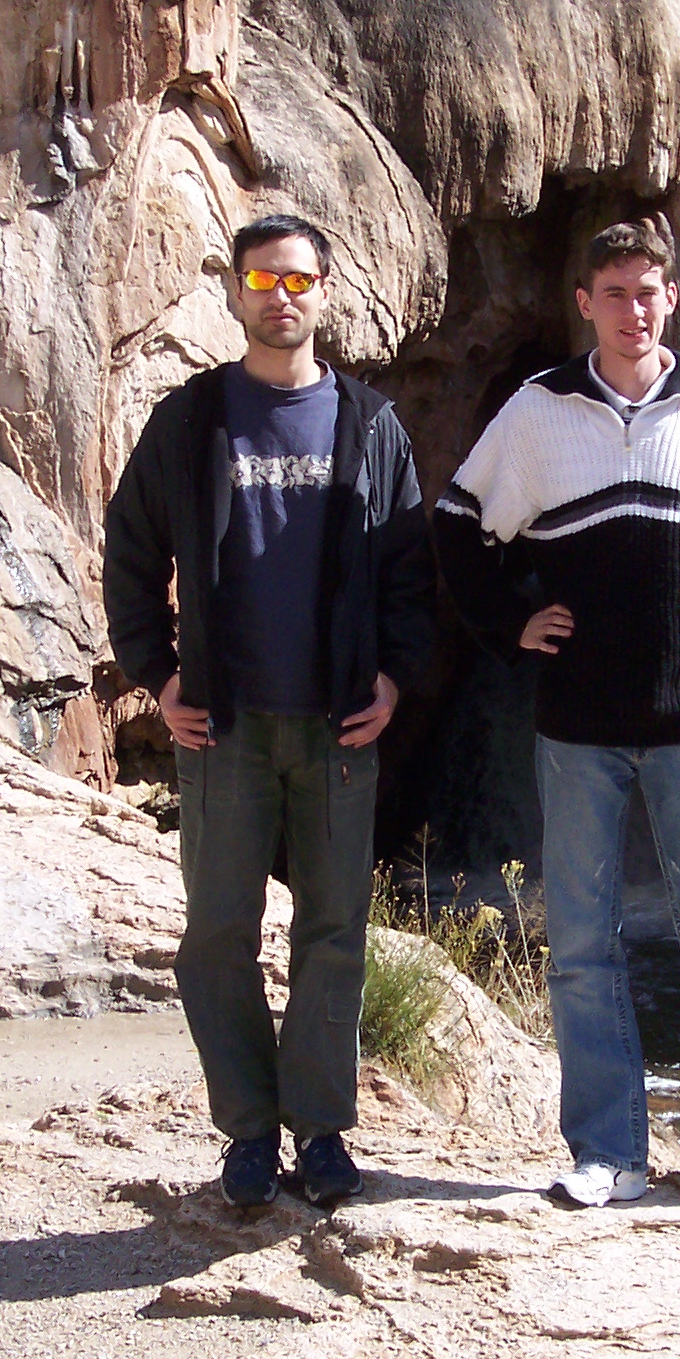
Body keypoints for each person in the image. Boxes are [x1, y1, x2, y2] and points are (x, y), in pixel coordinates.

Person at [433, 219, 680, 1228]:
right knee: (581, 948)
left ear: (673, 297)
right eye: (614, 292)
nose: (633, 310)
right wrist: (510, 622)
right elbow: (457, 523)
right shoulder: (540, 411)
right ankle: (607, 1154)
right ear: (585, 303)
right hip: (578, 729)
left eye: (648, 290)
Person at [102, 213, 436, 1211]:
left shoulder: (369, 424)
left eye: (297, 280)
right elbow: (131, 551)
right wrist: (158, 674)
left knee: (333, 932)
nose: (280, 296)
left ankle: (322, 1131)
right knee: (217, 935)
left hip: (339, 727)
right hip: (224, 727)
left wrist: (394, 680)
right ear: (236, 291)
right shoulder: (191, 420)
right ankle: (248, 1133)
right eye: (262, 279)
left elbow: (409, 568)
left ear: (324, 292)